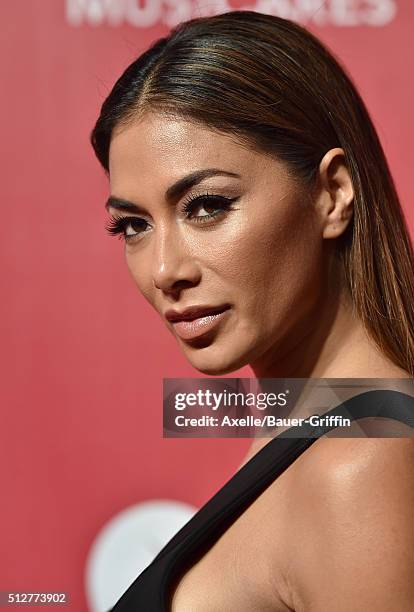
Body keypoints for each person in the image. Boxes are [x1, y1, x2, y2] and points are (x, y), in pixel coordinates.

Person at [90, 10, 414, 611]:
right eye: (132, 225)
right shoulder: (318, 429)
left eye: (206, 205)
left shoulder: (360, 465)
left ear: (333, 193)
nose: (165, 270)